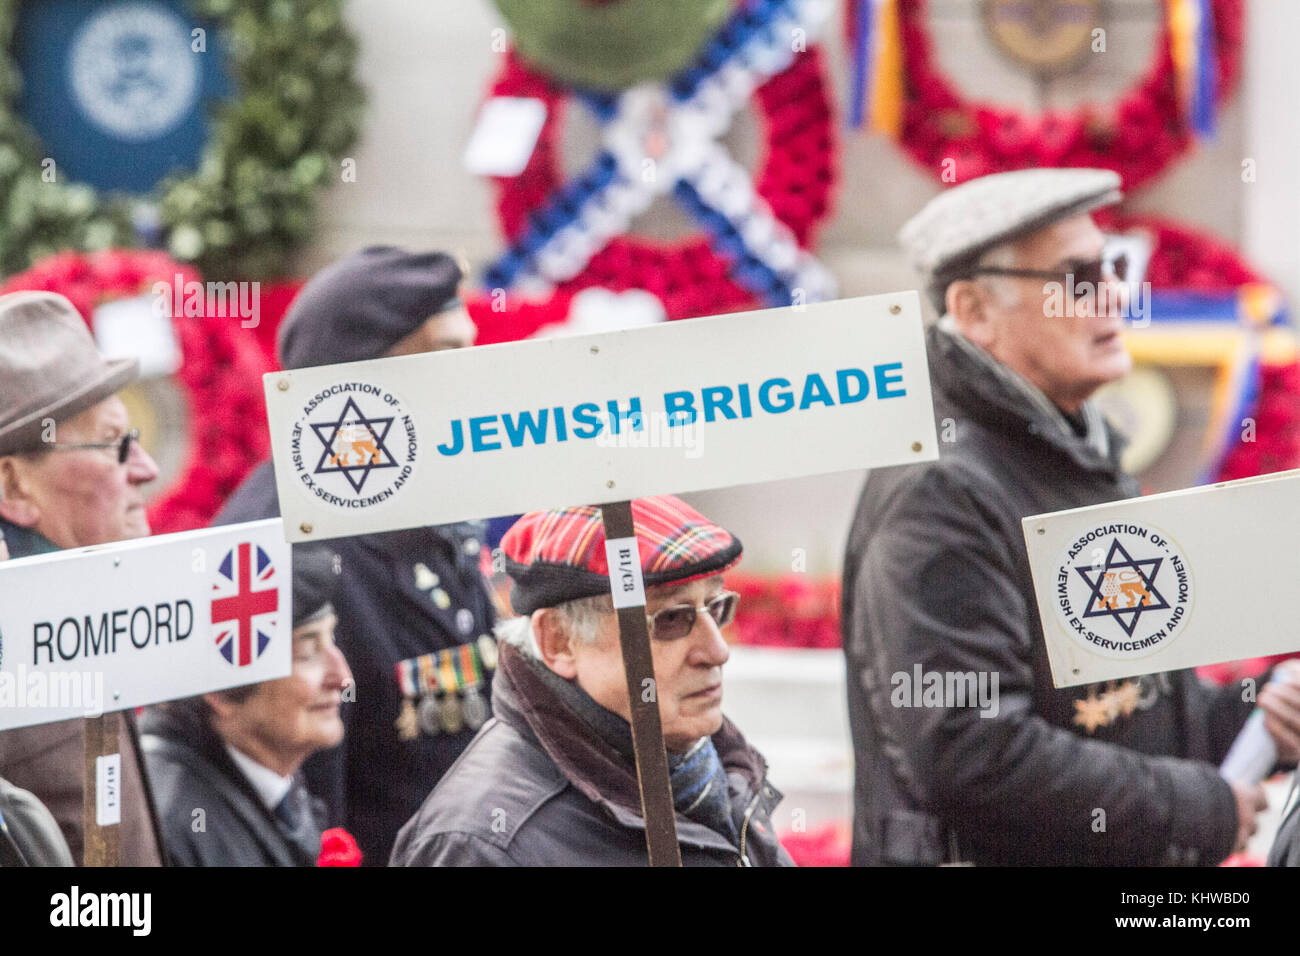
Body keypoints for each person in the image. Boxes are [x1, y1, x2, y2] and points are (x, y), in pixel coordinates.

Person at [841, 168, 1300, 866]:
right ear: (973, 310)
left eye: (1114, 265)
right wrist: (1198, 808)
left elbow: (1132, 706)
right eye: (1077, 279)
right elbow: (973, 752)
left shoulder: (1071, 447)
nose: (1116, 294)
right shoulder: (938, 490)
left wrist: (1258, 712)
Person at [213, 246, 499, 865]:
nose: (475, 376)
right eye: (449, 354)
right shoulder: (279, 544)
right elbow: (310, 812)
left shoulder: (414, 498)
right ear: (367, 379)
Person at [391, 495, 794, 867]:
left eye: (717, 605)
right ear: (559, 641)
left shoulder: (707, 763)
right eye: (672, 618)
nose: (717, 651)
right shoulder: (483, 846)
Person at [0, 290, 165, 866]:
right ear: (15, 488)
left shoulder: (81, 613)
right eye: (114, 445)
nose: (146, 469)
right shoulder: (21, 656)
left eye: (137, 440)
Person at [140, 545, 352, 866]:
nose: (342, 677)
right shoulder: (172, 829)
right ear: (223, 693)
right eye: (307, 652)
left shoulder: (266, 777)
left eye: (331, 640)